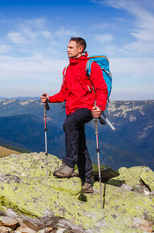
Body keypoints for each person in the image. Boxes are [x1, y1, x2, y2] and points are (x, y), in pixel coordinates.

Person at [41, 37, 108, 193]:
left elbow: (101, 89)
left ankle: (69, 164)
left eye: (71, 47)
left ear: (80, 49)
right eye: (67, 47)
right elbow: (64, 93)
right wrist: (50, 98)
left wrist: (100, 107)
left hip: (87, 108)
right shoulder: (67, 69)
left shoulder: (91, 66)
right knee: (80, 144)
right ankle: (87, 182)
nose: (67, 50)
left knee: (69, 124)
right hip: (71, 109)